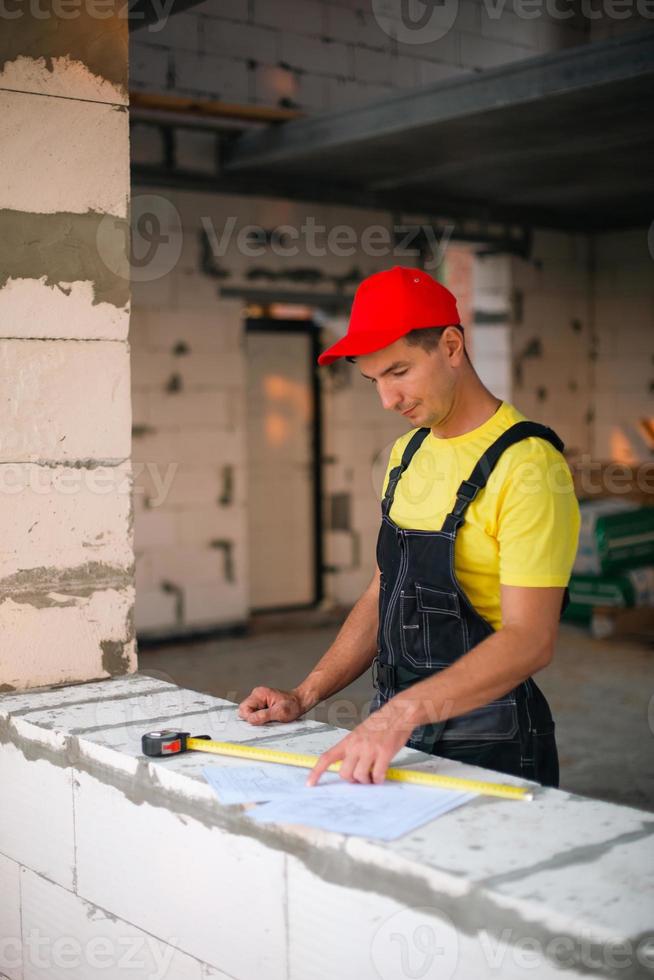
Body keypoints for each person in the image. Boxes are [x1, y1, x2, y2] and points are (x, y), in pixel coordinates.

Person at [238, 266, 580, 789]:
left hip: (490, 738)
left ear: (450, 345)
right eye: (374, 380)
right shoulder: (407, 453)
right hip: (398, 730)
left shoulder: (528, 466)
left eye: (399, 372)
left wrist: (397, 716)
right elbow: (386, 591)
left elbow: (531, 639)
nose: (388, 400)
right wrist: (305, 696)